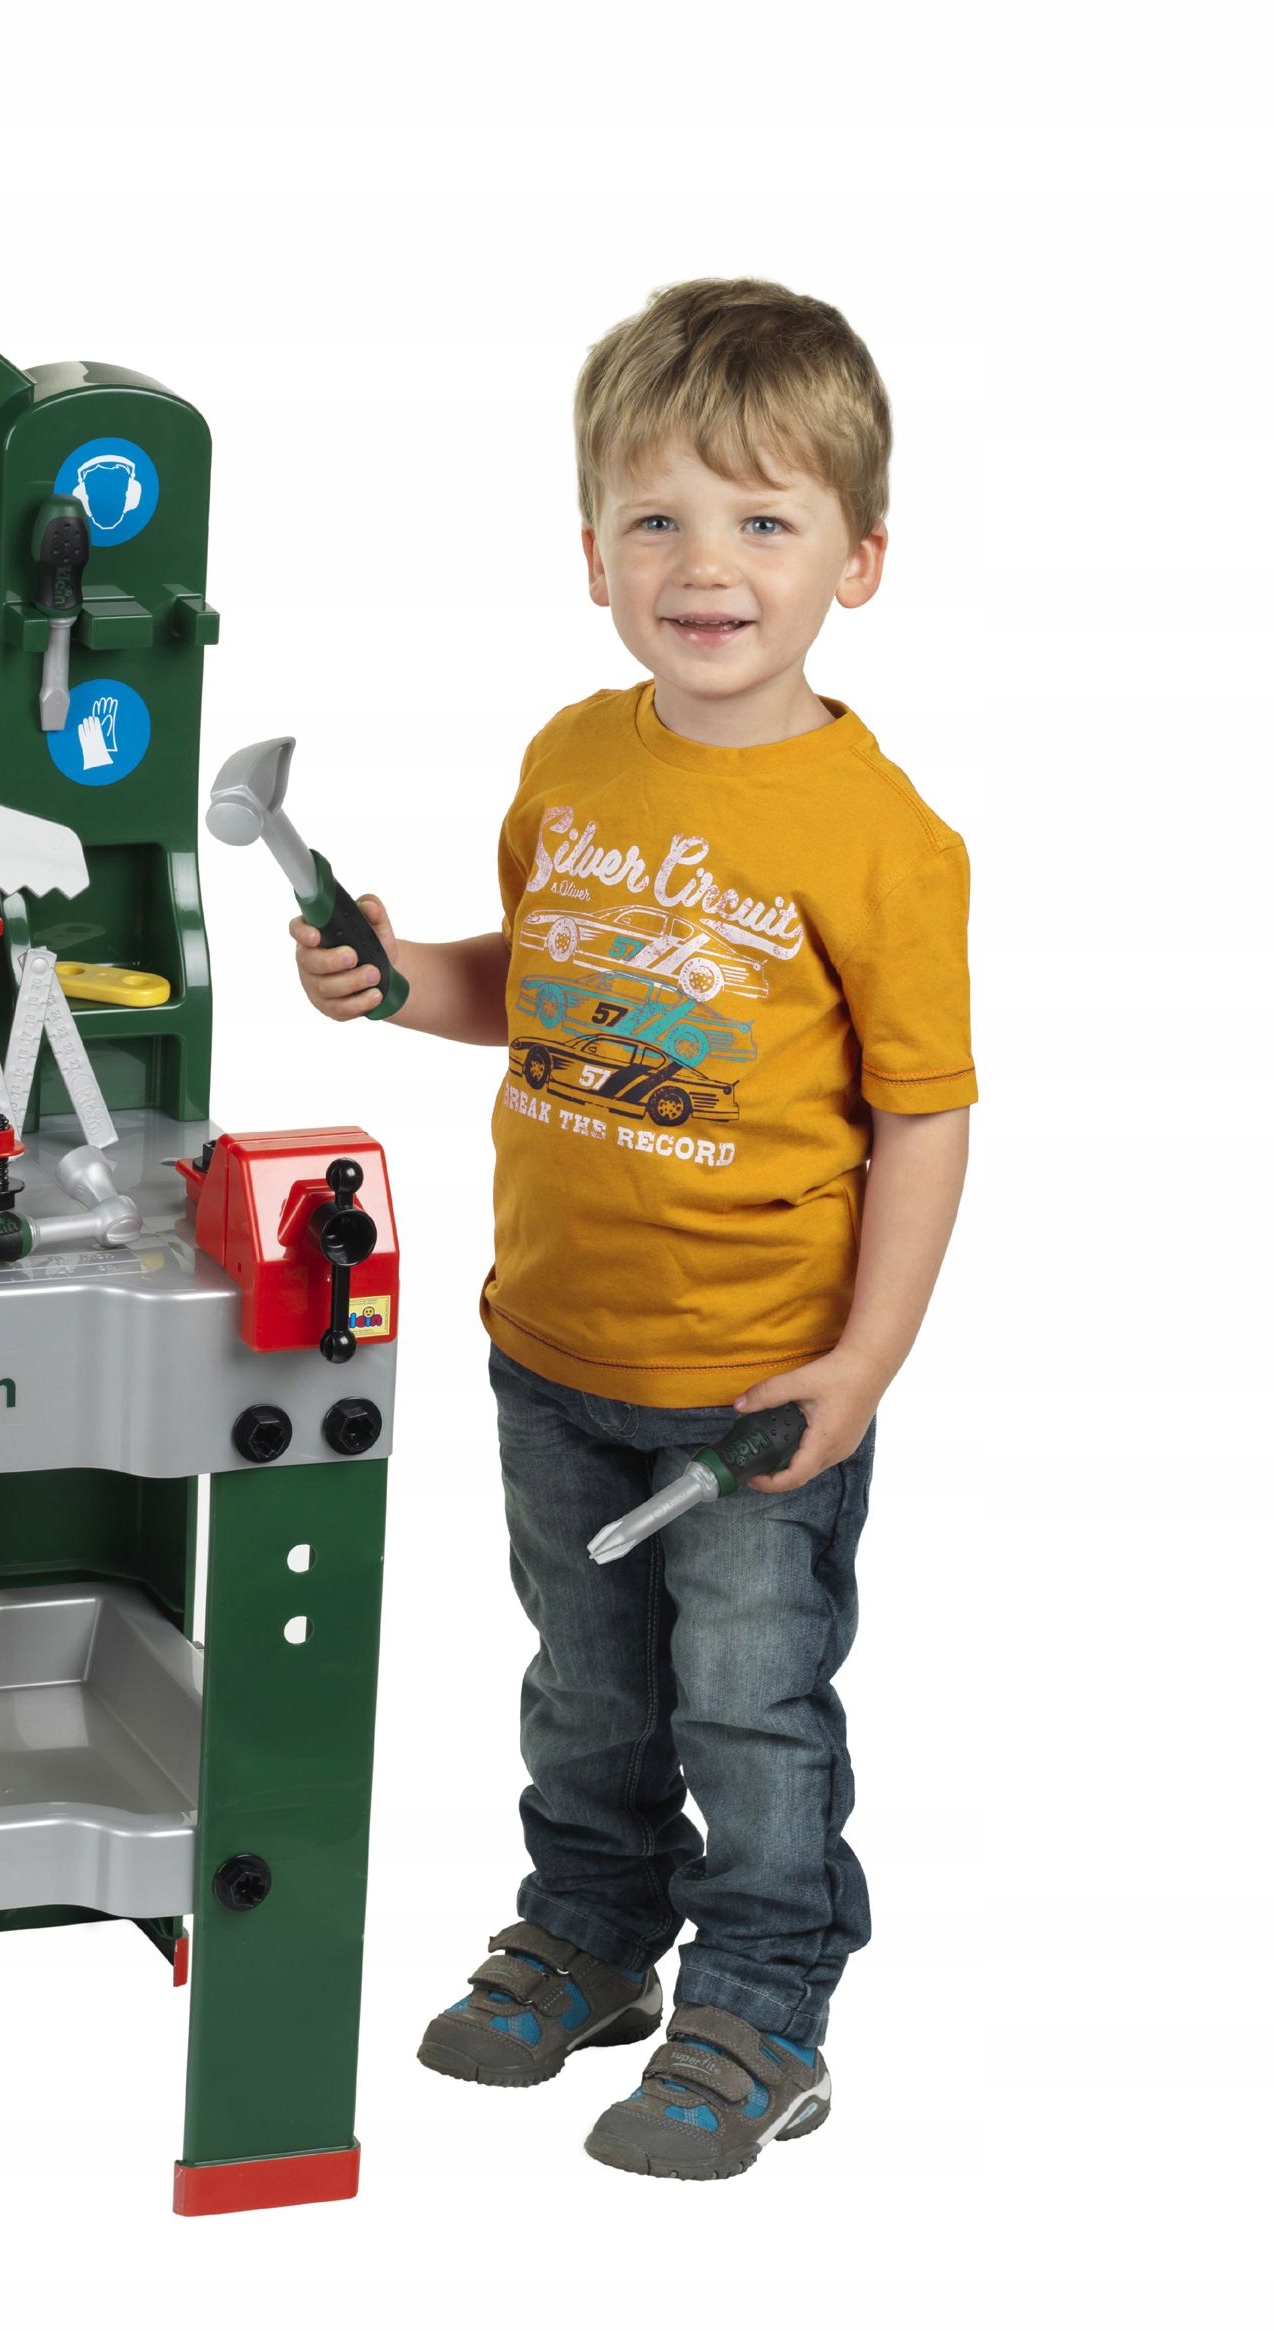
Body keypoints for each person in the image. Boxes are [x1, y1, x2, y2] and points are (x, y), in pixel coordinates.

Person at [294, 278, 974, 2179]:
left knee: (751, 1710)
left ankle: (762, 2001)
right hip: (552, 1344)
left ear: (859, 559)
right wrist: (398, 982)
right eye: (657, 517)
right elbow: (539, 986)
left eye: (765, 519)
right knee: (585, 1688)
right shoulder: (575, 758)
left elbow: (925, 1112)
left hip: (759, 1387)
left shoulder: (883, 836)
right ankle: (593, 1928)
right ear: (592, 551)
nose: (707, 565)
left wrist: (865, 1361)